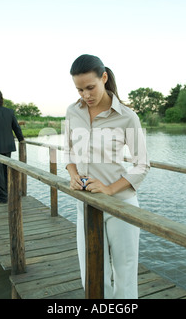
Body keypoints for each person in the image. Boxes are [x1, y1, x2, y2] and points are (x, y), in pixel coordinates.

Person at [64, 54, 150, 298]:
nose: (85, 95)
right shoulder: (73, 112)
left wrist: (110, 189)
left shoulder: (127, 116)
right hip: (86, 204)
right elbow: (68, 153)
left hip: (120, 204)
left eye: (90, 87)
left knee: (125, 273)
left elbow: (142, 164)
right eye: (79, 89)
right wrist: (72, 174)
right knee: (91, 273)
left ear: (104, 78)